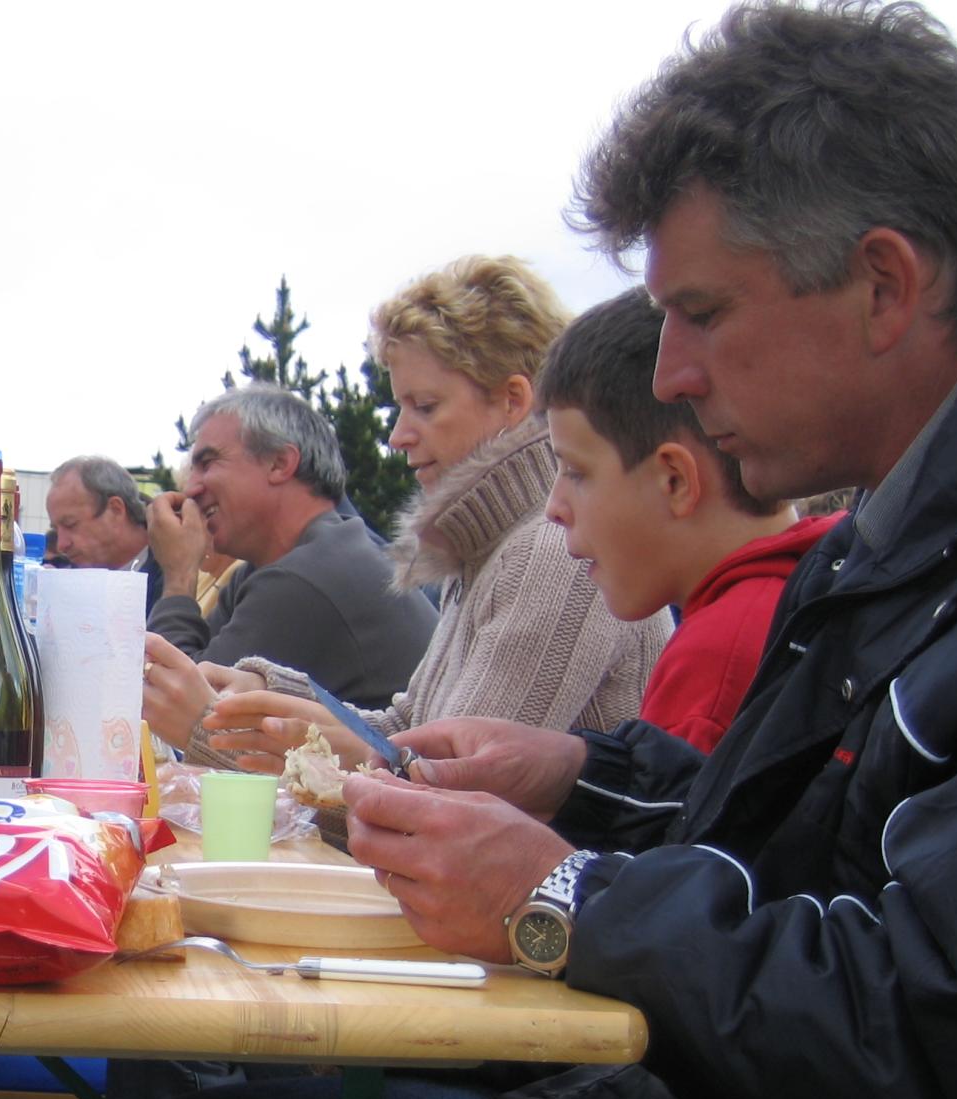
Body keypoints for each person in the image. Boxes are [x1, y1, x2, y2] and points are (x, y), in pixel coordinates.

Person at [152, 3, 957, 1099]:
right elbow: (776, 829)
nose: (672, 375)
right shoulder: (880, 543)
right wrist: (583, 778)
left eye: (701, 314)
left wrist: (558, 901)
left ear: (887, 286)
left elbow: (928, 1035)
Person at [187, 256, 672, 792]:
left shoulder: (553, 554)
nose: (397, 435)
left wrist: (201, 727)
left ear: (513, 400)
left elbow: (447, 798)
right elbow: (407, 731)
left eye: (424, 406)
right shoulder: (489, 551)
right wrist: (271, 693)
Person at [538, 286, 841, 752]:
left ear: (674, 481)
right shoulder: (809, 589)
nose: (553, 508)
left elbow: (667, 825)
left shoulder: (715, 659)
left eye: (576, 472)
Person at [139, 384, 437, 752]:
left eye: (208, 462)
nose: (191, 488)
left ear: (281, 463)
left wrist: (180, 572)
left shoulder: (311, 576)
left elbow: (176, 711)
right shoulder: (288, 562)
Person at [45, 455, 163, 610]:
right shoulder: (69, 581)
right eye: (56, 530)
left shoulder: (178, 573)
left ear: (116, 510)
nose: (61, 545)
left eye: (70, 524)